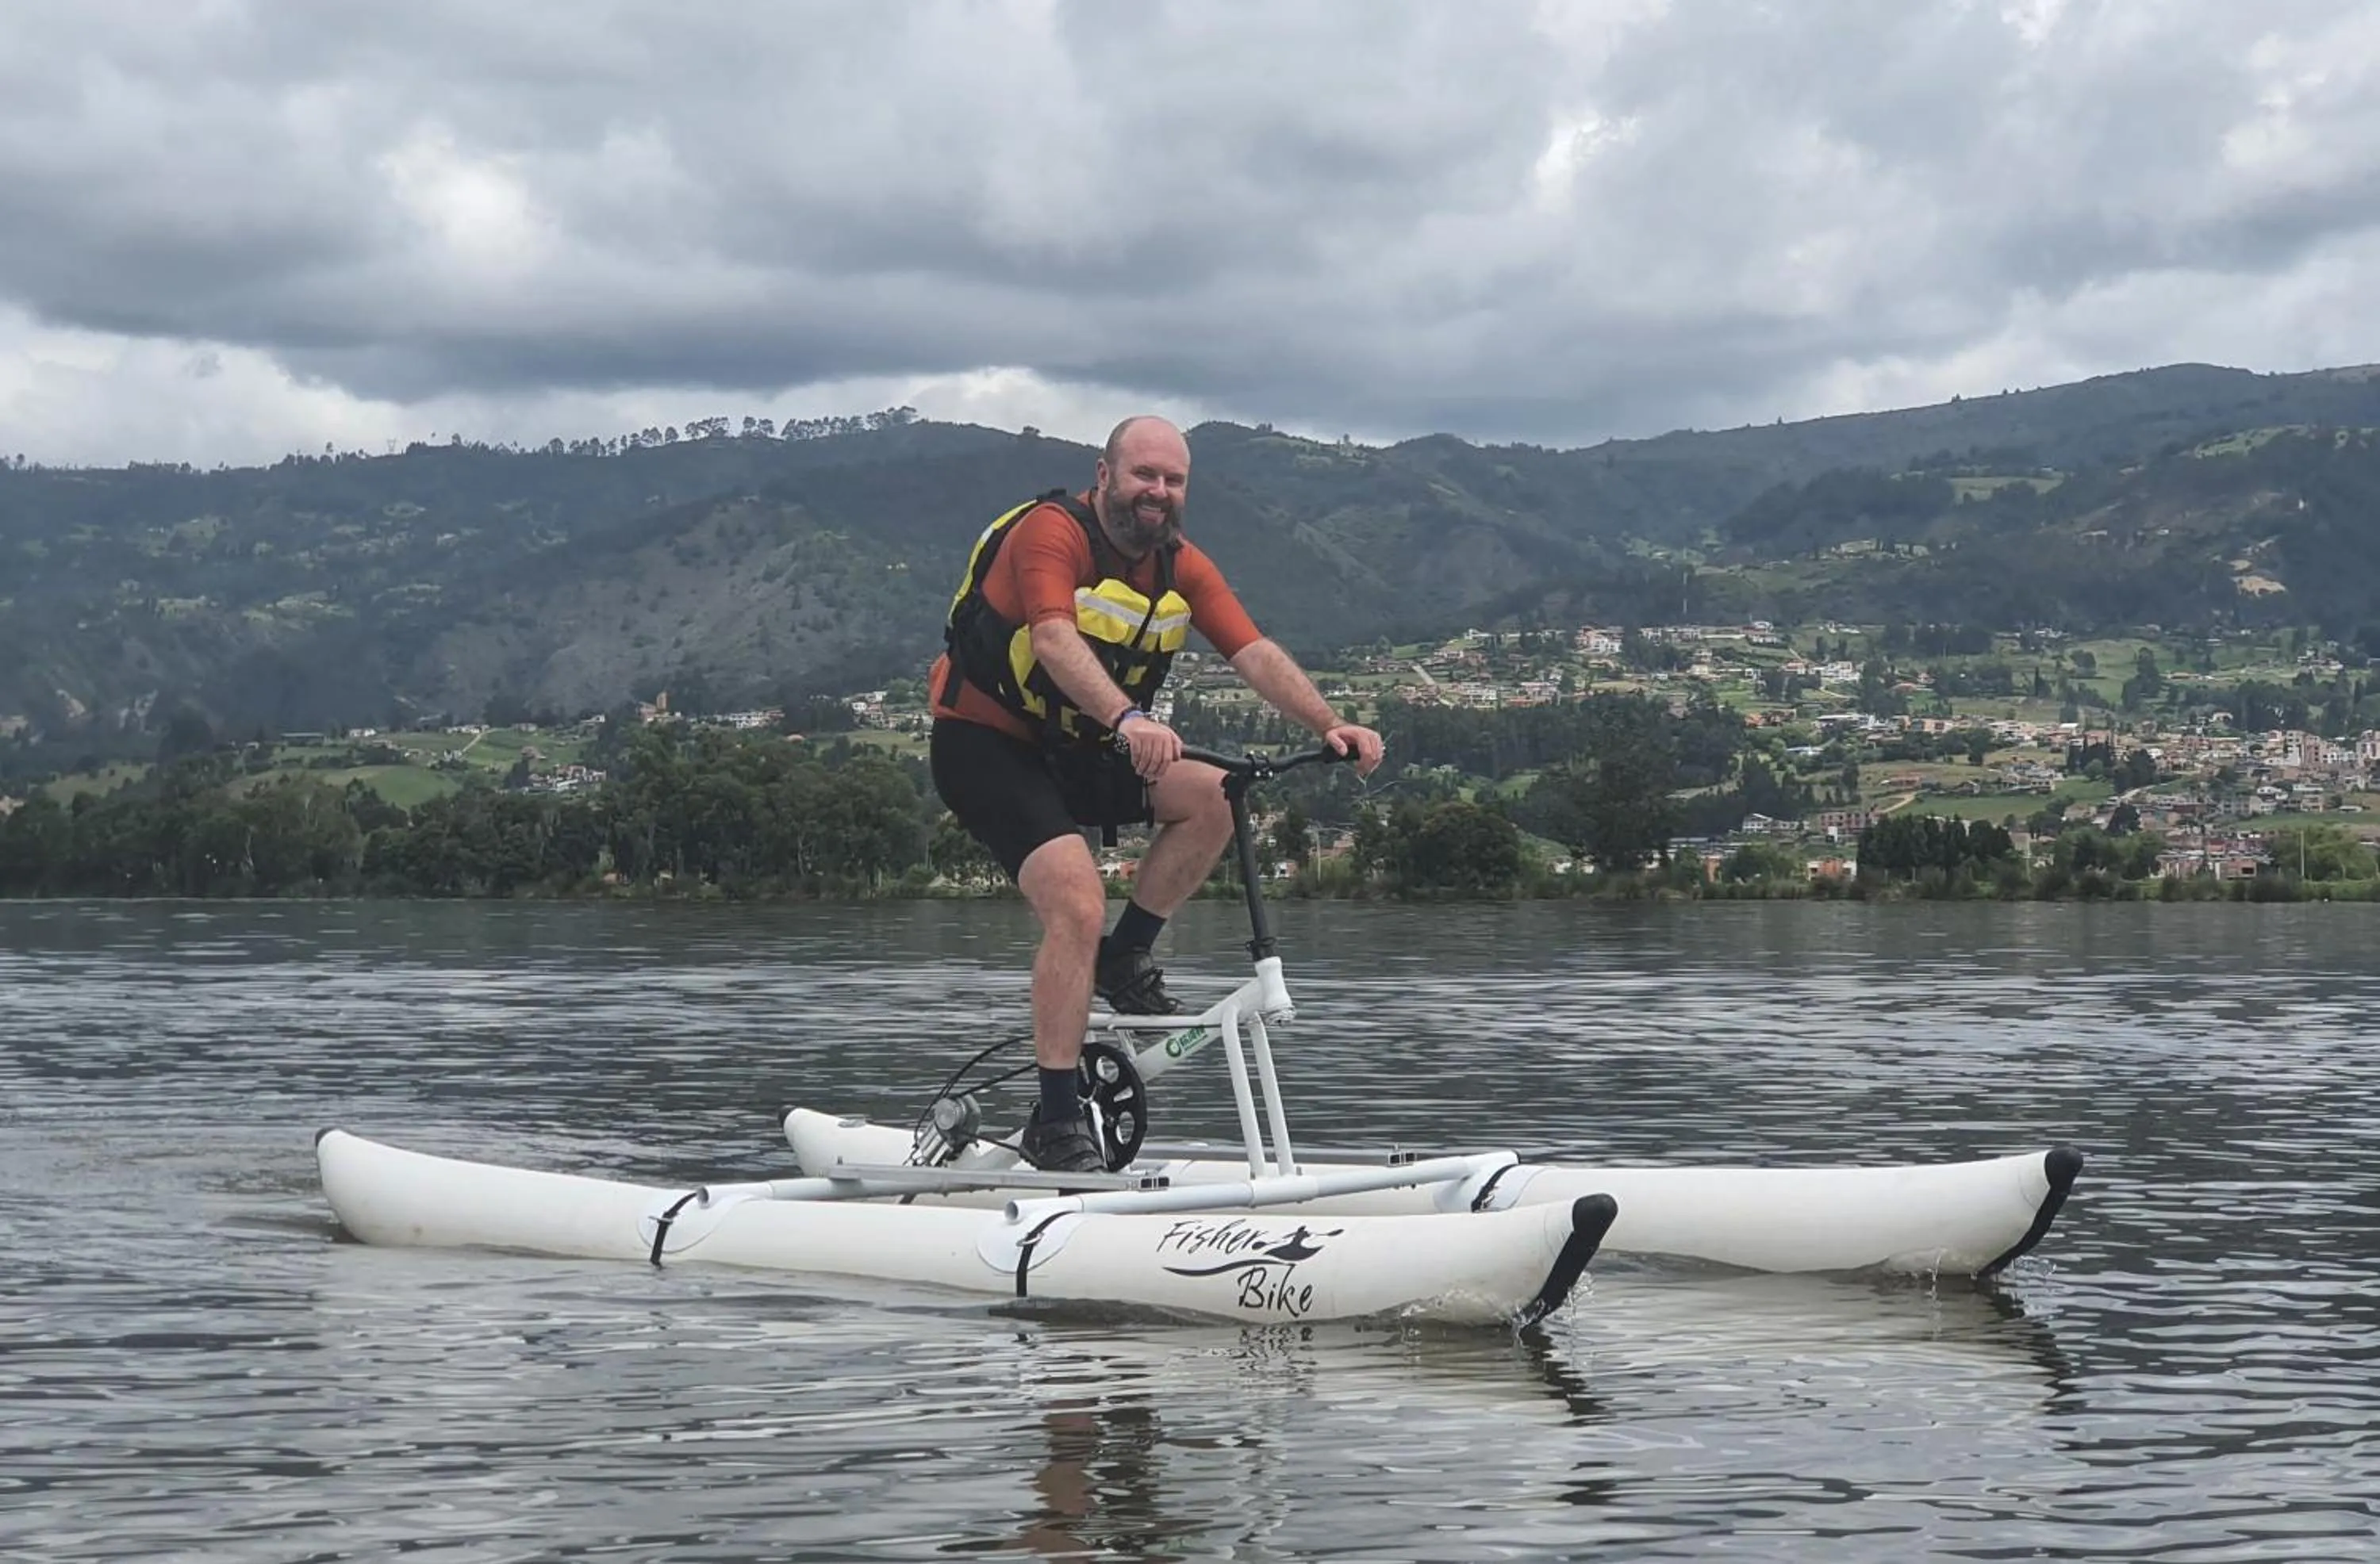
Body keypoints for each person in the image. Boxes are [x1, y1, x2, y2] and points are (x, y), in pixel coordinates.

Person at [927, 415, 1384, 1172]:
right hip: (988, 747)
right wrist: (1129, 716)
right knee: (1076, 903)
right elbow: (1051, 637)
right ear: (1104, 475)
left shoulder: (1181, 566)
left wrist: (1332, 723)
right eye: (1144, 475)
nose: (1158, 492)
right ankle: (1056, 1116)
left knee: (1217, 794)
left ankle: (1126, 957)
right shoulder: (1052, 533)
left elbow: (1253, 650)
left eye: (1173, 481)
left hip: (1080, 747)